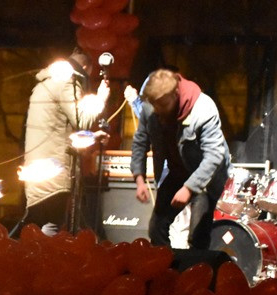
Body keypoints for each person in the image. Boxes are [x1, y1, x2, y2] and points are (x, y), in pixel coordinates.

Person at [130, 68, 231, 249]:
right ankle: (168, 272)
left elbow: (214, 156)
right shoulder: (150, 107)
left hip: (205, 175)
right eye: (153, 105)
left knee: (197, 236)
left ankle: (196, 274)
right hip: (178, 171)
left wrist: (189, 188)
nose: (156, 110)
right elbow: (140, 142)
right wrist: (139, 179)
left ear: (176, 94)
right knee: (156, 228)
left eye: (162, 105)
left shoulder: (203, 108)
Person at [17, 47, 110, 235]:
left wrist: (92, 136)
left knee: (36, 223)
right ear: (84, 67)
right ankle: (39, 262)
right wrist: (100, 99)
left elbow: (58, 129)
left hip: (40, 167)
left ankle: (26, 258)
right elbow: (81, 119)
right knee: (50, 223)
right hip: (54, 170)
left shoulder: (45, 83)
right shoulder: (66, 82)